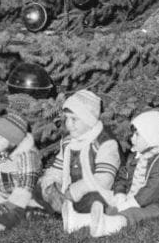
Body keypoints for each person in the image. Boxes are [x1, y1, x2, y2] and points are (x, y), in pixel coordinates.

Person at [35, 89, 121, 233]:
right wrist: (50, 182)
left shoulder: (105, 143)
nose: (69, 124)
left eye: (74, 119)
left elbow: (104, 179)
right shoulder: (68, 142)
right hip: (67, 191)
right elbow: (58, 167)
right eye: (67, 118)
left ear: (88, 120)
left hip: (92, 190)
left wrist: (75, 191)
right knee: (40, 186)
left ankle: (68, 212)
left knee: (94, 200)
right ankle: (61, 208)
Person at [89, 109, 159, 237]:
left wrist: (131, 203)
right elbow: (123, 175)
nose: (132, 138)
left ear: (150, 137)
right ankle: (86, 219)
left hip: (157, 204)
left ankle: (111, 225)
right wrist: (120, 193)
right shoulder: (136, 156)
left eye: (137, 135)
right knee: (111, 203)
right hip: (132, 197)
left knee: (135, 213)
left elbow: (152, 190)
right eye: (133, 134)